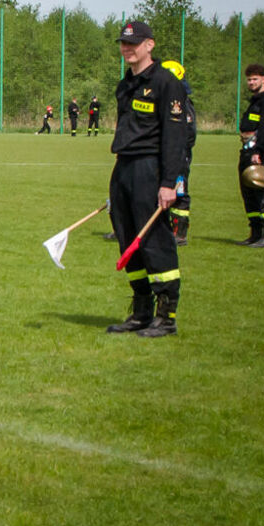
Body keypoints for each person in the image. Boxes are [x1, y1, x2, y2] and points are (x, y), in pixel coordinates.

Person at [105, 21, 187, 338]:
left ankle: (166, 316)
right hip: (124, 167)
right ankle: (141, 312)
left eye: (134, 43)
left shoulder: (166, 83)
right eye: (124, 43)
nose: (128, 48)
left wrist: (169, 183)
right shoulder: (126, 84)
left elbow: (175, 137)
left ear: (149, 45)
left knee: (154, 241)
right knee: (128, 241)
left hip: (150, 170)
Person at [161, 61, 197, 246]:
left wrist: (178, 152)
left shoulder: (182, 102)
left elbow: (189, 132)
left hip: (178, 155)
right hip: (164, 154)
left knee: (179, 192)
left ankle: (179, 233)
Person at [237, 63, 264, 246]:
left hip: (259, 153)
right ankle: (254, 233)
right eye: (249, 79)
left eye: (255, 79)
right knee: (248, 194)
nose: (251, 82)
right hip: (247, 151)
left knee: (262, 195)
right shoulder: (254, 101)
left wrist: (259, 151)